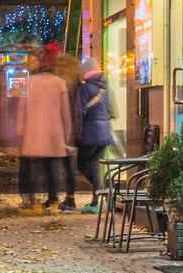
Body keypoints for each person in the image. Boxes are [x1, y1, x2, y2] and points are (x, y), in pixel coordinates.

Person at [13, 45, 75, 212]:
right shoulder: (59, 83)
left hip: (33, 131)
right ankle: (54, 202)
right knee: (51, 167)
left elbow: (21, 108)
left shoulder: (28, 82)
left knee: (33, 166)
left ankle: (34, 203)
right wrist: (67, 132)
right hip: (54, 132)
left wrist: (20, 129)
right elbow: (65, 112)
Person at [75, 60, 116, 212]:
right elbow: (112, 110)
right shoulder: (105, 88)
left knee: (81, 164)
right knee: (94, 166)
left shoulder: (85, 88)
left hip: (91, 133)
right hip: (104, 132)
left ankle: (103, 192)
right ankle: (95, 202)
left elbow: (80, 112)